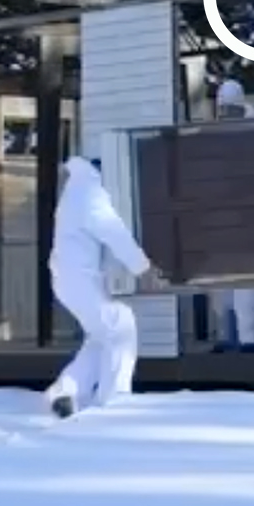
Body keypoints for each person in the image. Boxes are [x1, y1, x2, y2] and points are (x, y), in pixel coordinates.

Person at [46, 154, 166, 419]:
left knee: (101, 336)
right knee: (120, 324)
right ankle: (115, 401)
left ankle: (65, 392)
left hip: (71, 278)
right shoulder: (89, 192)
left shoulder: (76, 188)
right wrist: (142, 267)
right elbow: (112, 230)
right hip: (78, 279)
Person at [209, 79, 254, 353]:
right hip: (222, 217)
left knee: (247, 282)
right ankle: (225, 336)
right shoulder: (216, 134)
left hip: (247, 218)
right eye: (222, 109)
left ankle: (249, 339)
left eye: (229, 109)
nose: (224, 114)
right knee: (220, 282)